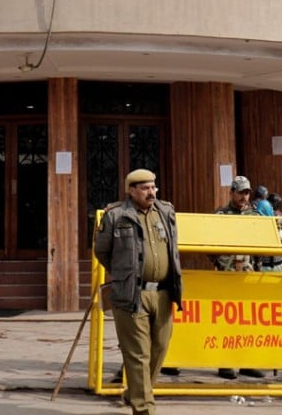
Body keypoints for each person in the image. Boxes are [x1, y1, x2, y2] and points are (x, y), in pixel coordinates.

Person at [95, 169, 183, 415]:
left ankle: (134, 392)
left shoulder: (166, 211)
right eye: (145, 188)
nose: (151, 192)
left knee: (160, 348)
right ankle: (144, 409)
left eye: (153, 187)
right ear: (131, 190)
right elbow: (101, 251)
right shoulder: (116, 215)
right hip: (132, 294)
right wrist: (124, 275)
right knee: (138, 354)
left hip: (164, 293)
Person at [213, 176, 265, 380]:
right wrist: (219, 261)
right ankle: (225, 364)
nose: (244, 196)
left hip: (248, 273)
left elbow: (261, 244)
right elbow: (209, 242)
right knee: (227, 319)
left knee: (248, 319)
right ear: (231, 192)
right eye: (240, 192)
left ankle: (247, 363)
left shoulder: (255, 214)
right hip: (226, 274)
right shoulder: (220, 214)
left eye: (247, 193)